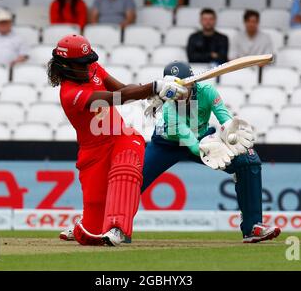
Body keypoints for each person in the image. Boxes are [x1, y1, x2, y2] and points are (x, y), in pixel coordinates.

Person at [48, 34, 187, 246]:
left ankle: (118, 228)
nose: (88, 67)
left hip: (122, 136)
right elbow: (116, 98)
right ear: (65, 66)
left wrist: (152, 92)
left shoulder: (93, 67)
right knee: (92, 236)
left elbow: (121, 88)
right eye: (82, 64)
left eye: (89, 61)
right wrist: (152, 88)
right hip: (93, 152)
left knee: (127, 170)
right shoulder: (70, 94)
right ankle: (84, 225)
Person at [141, 61, 281, 243]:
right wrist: (207, 150)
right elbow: (190, 144)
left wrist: (233, 134)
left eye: (184, 86)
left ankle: (252, 227)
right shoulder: (168, 107)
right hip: (167, 143)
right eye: (176, 88)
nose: (180, 93)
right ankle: (112, 225)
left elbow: (225, 119)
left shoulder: (207, 91)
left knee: (249, 160)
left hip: (201, 136)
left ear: (192, 82)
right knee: (133, 180)